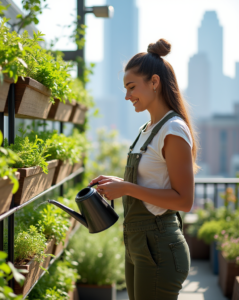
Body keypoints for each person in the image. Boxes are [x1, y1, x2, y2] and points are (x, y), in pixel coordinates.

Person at [89, 39, 197, 300]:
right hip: (138, 243)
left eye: (131, 87)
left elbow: (184, 200)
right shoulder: (146, 130)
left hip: (159, 244)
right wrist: (118, 182)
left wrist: (125, 188)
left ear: (154, 82)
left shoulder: (173, 129)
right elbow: (150, 184)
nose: (127, 96)